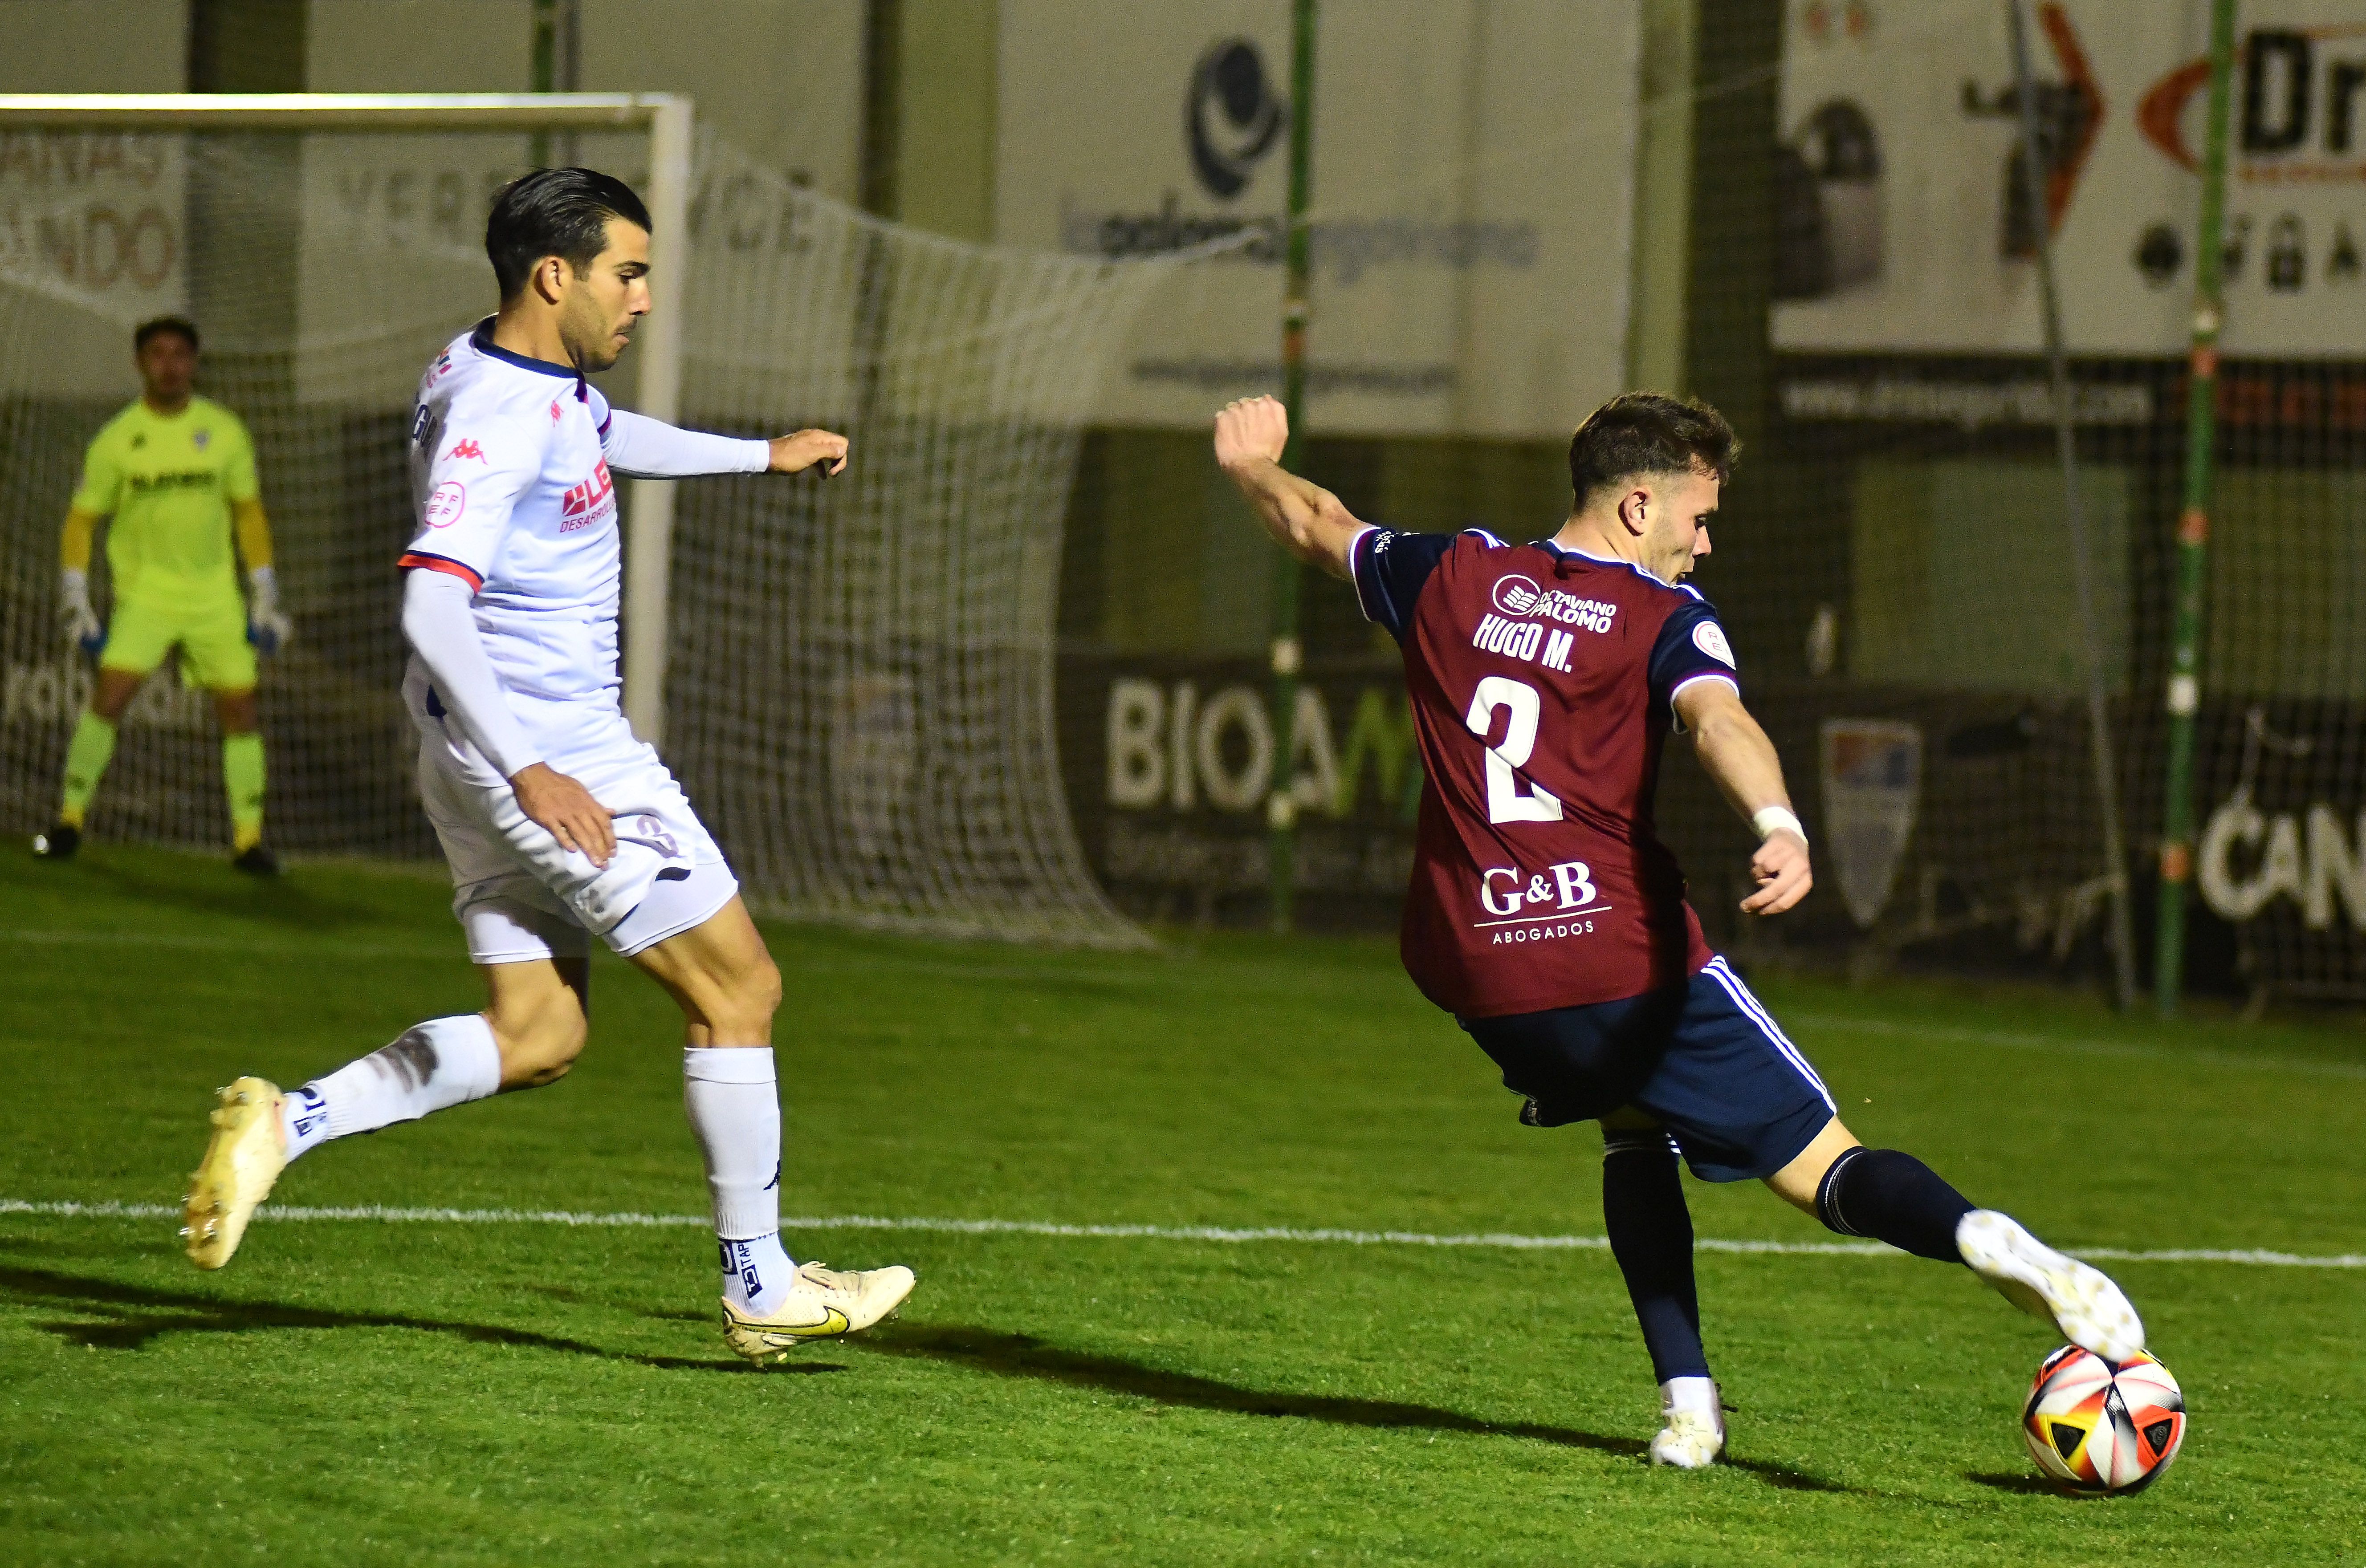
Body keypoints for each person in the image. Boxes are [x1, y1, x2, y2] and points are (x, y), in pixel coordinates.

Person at [1212, 391, 2146, 1468]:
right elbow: (1720, 719)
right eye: (1696, 520)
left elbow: (1319, 524)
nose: (1703, 547)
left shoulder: (1456, 575)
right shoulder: (1663, 620)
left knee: (1628, 1126)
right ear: (1638, 501)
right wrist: (1781, 824)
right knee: (1828, 1171)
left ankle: (1689, 1408)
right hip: (1617, 958)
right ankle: (1996, 1243)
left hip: (1476, 967)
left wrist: (1253, 470)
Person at [181, 168, 915, 1363]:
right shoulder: (499, 413)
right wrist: (532, 770)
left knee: (540, 1031)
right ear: (555, 275)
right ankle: (760, 1280)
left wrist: (758, 457)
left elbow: (606, 436)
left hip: (476, 751)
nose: (642, 301)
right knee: (741, 991)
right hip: (552, 755)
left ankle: (288, 1120)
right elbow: (430, 600)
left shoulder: (504, 366)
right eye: (628, 275)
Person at [34, 317, 293, 872]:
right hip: (146, 596)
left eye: (180, 355)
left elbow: (248, 513)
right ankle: (69, 821)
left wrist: (264, 590)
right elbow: (81, 522)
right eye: (158, 354)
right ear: (140, 363)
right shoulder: (117, 439)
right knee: (108, 699)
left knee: (241, 709)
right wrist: (75, 594)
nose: (170, 365)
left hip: (214, 598)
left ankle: (248, 841)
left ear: (194, 364)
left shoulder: (224, 431)